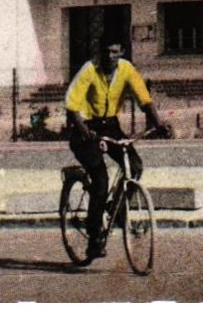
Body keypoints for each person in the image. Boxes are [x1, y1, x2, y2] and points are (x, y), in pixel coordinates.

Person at [64, 39, 169, 259]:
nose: (110, 56)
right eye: (106, 52)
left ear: (121, 52)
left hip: (110, 126)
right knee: (100, 182)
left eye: (114, 52)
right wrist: (84, 130)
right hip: (84, 128)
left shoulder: (126, 69)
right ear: (100, 52)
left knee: (136, 165)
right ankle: (94, 240)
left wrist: (158, 123)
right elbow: (72, 105)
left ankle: (116, 208)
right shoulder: (89, 69)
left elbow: (144, 99)